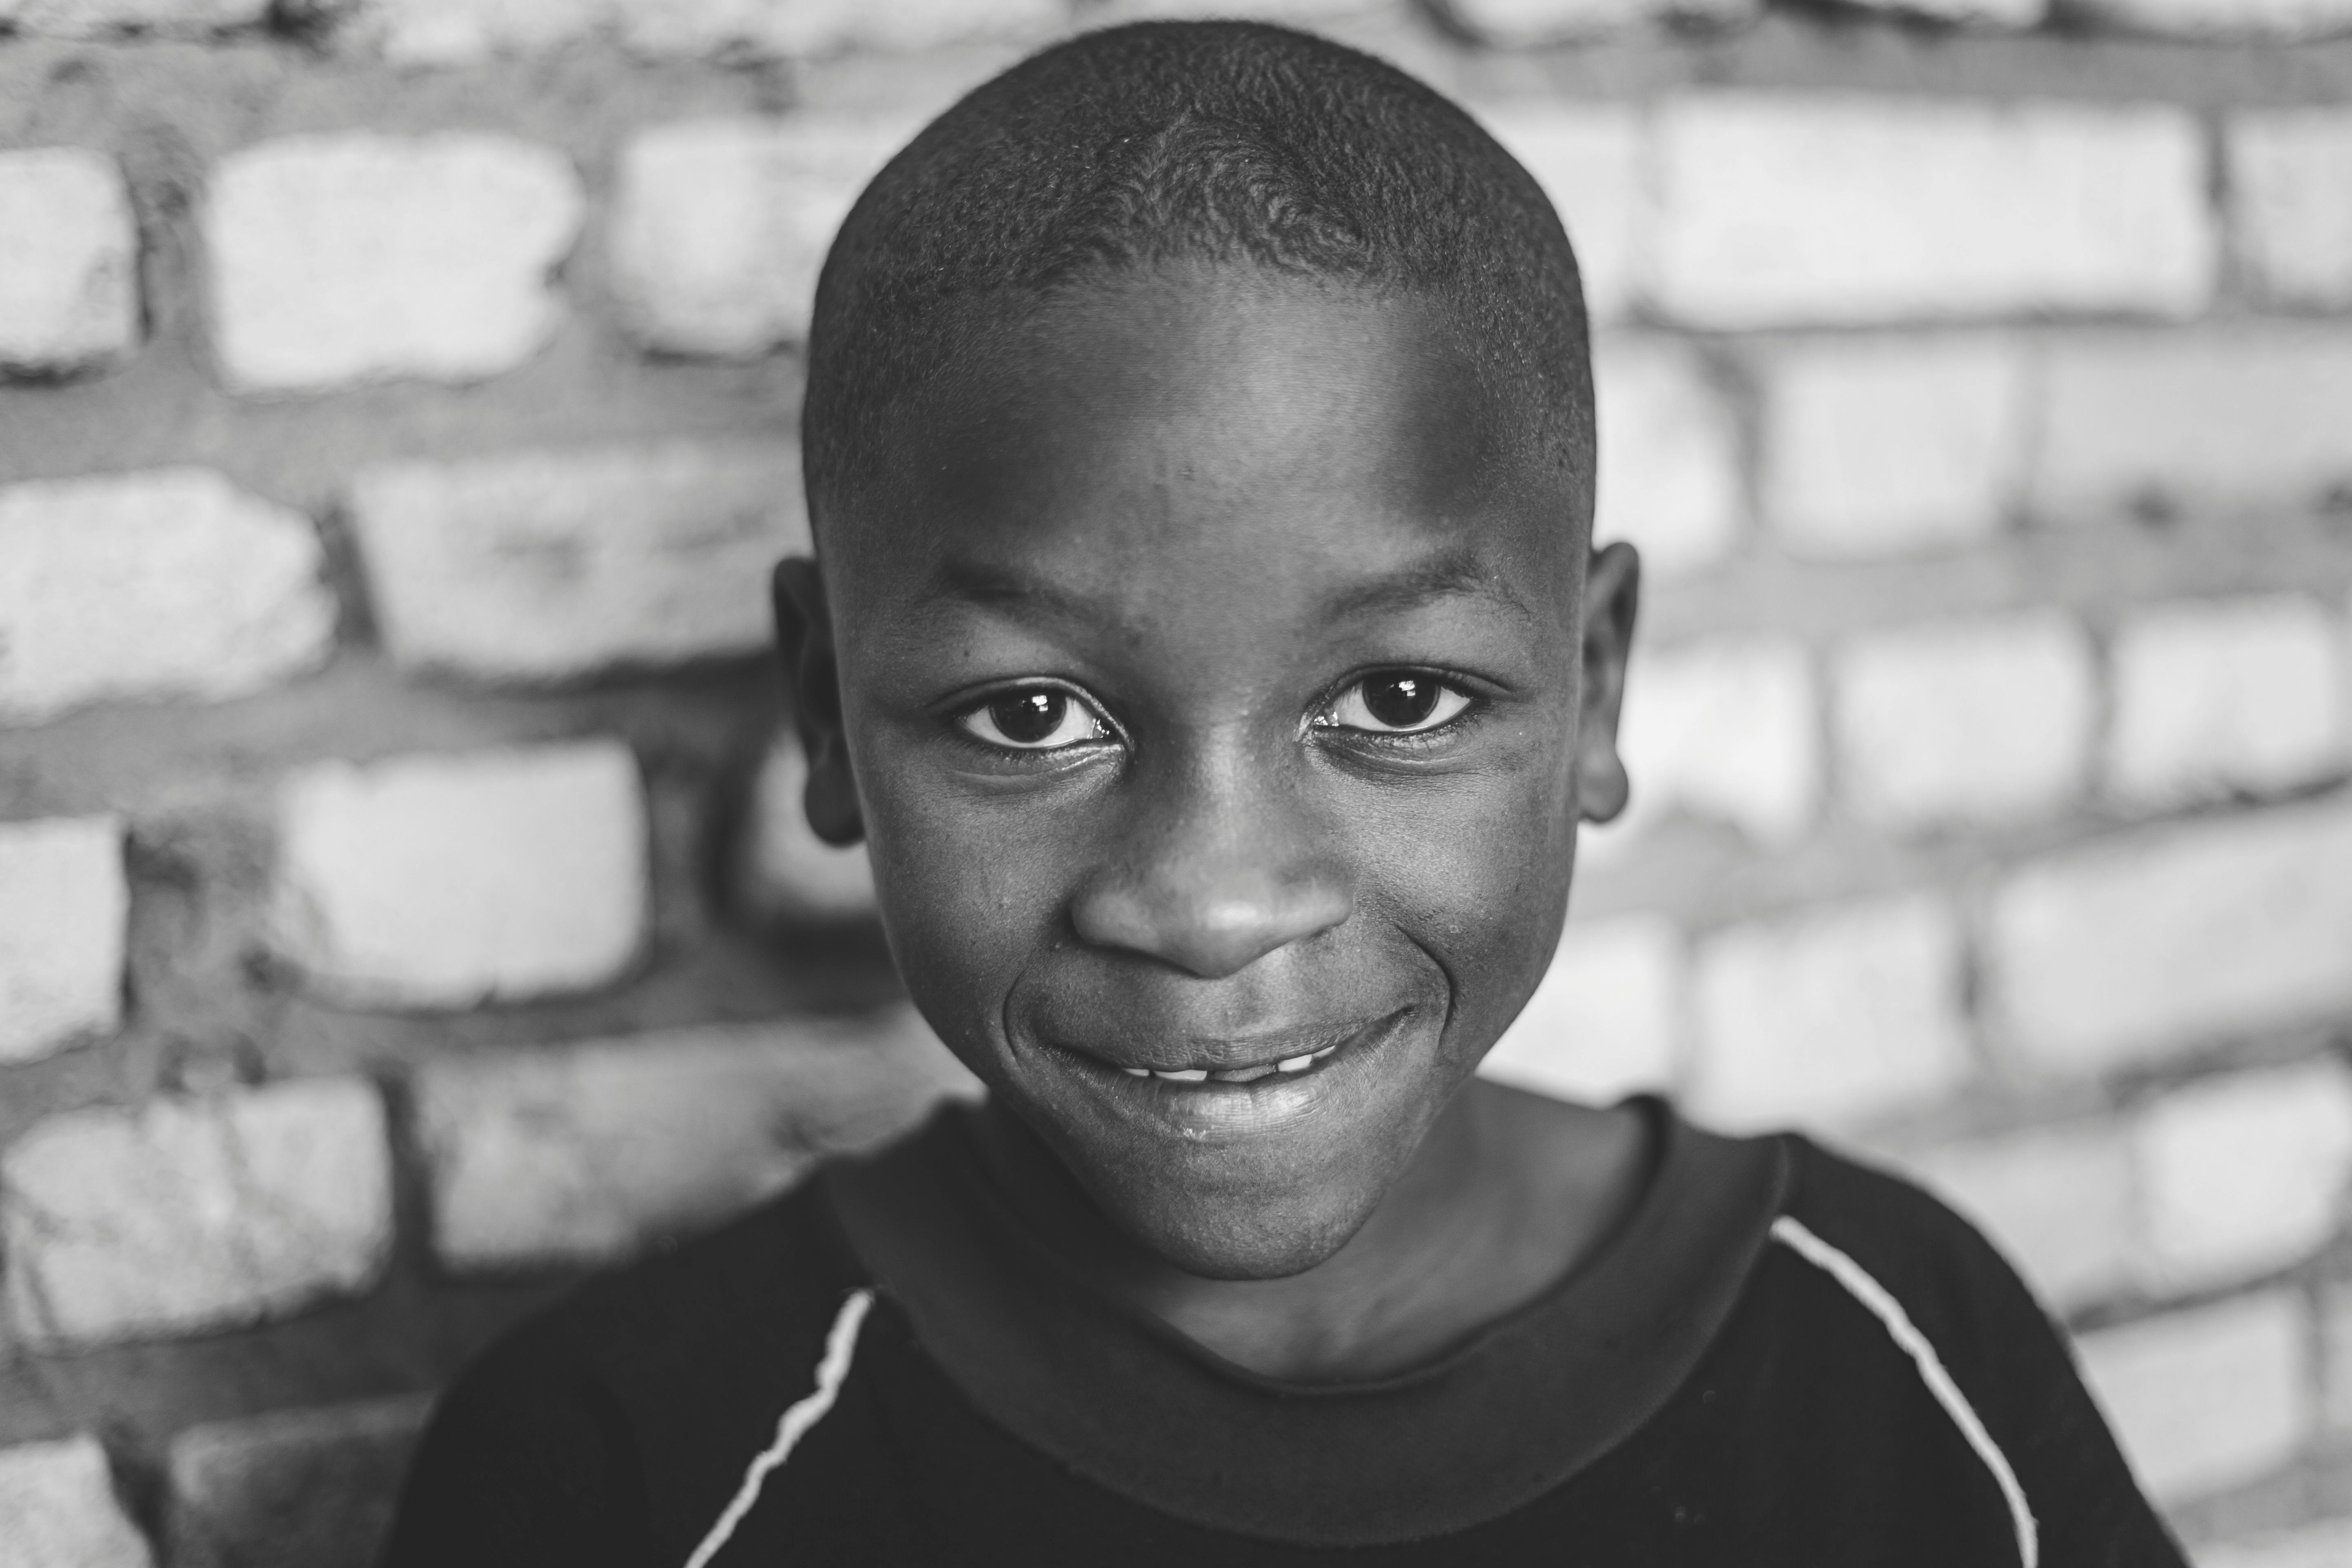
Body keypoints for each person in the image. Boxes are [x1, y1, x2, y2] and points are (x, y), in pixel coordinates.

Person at [380, 21, 2181, 1566]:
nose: (1215, 901)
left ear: (1595, 685)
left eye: (1399, 698)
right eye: (1029, 716)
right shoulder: (630, 1469)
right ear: (830, 718)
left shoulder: (1887, 1358)